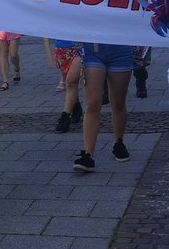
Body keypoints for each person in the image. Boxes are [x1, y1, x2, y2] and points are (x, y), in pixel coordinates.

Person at [73, 43, 133, 173]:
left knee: (118, 102)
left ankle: (119, 142)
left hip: (121, 48)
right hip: (92, 49)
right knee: (93, 103)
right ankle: (88, 154)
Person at [53, 40, 83, 133]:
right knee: (70, 82)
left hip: (79, 47)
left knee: (71, 82)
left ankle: (65, 116)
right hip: (61, 47)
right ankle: (76, 107)